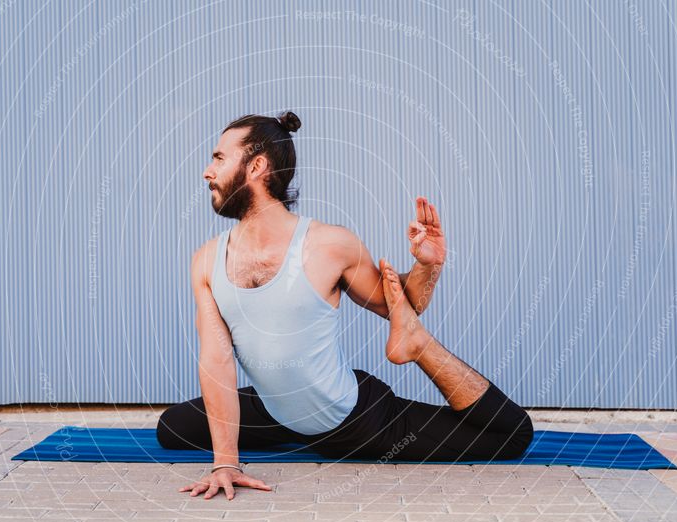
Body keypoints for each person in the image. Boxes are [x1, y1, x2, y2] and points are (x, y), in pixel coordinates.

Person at [157, 111, 534, 500]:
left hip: (352, 418)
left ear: (256, 166)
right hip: (278, 412)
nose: (207, 171)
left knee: (511, 435)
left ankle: (417, 344)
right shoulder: (206, 260)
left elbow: (401, 305)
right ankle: (290, 410)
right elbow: (216, 361)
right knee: (171, 429)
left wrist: (427, 266)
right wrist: (225, 462)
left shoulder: (329, 245)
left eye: (218, 158)